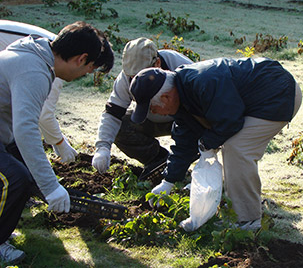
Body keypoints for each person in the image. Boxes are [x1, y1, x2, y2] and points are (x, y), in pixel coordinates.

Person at [129, 57, 302, 231]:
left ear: (166, 97)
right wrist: (168, 182)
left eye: (152, 108)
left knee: (237, 148)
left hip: (278, 94)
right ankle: (234, 206)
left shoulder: (204, 82)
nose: (153, 112)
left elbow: (230, 122)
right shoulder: (182, 96)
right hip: (257, 99)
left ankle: (247, 220)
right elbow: (184, 143)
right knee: (230, 144)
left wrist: (206, 144)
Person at [0, 21, 114, 264]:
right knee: (15, 178)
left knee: (24, 171)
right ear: (82, 59)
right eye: (90, 68)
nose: (85, 75)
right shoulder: (34, 71)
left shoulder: (34, 54)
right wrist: (51, 187)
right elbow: (26, 129)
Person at [92, 37, 193, 179]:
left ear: (157, 63)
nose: (135, 80)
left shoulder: (180, 66)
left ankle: (189, 168)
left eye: (140, 75)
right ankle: (158, 160)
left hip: (187, 118)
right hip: (153, 120)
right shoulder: (125, 78)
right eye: (132, 77)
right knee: (121, 126)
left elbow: (203, 105)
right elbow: (112, 112)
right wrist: (102, 147)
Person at [0, 19, 77, 163]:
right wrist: (60, 143)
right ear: (81, 59)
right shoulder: (54, 64)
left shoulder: (57, 48)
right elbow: (44, 114)